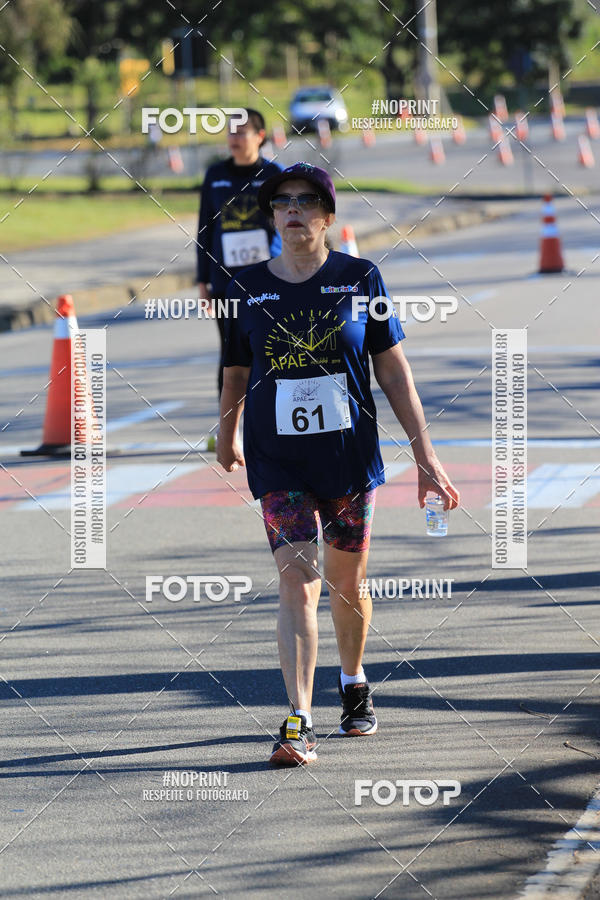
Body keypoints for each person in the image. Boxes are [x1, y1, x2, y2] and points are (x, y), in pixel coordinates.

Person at [217, 162, 460, 766]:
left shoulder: (360, 278)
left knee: (346, 583)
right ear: (272, 217)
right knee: (297, 580)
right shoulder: (243, 286)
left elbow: (393, 371)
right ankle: (297, 719)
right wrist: (227, 434)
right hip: (278, 460)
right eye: (282, 202)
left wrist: (426, 456)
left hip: (348, 458)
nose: (293, 210)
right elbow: (235, 370)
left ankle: (353, 680)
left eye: (306, 201)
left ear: (327, 217)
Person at [196, 108, 282, 398]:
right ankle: (229, 421)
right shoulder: (215, 175)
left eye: (241, 132)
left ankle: (270, 413)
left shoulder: (273, 175)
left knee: (269, 347)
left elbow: (287, 224)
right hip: (226, 282)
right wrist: (202, 280)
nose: (233, 138)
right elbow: (205, 229)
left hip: (269, 280)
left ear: (260, 136)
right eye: (230, 132)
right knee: (231, 354)